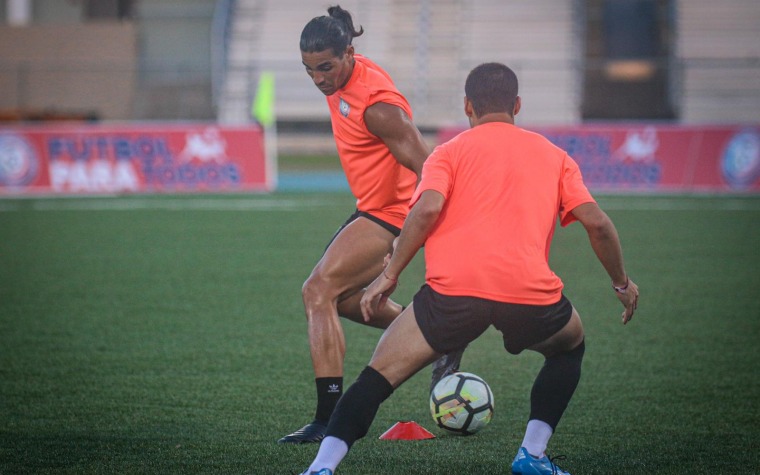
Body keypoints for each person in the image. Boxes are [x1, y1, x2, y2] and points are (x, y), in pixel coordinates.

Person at [299, 62, 640, 475]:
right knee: (569, 347)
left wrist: (388, 277)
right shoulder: (555, 157)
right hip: (529, 293)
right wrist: (620, 283)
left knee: (376, 378)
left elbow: (425, 210)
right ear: (517, 104)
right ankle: (532, 456)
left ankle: (322, 467)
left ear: (467, 107)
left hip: (452, 294)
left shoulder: (448, 152)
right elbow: (598, 224)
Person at [279, 5, 463, 444]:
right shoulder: (343, 72)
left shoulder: (378, 107)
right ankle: (438, 340)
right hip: (373, 205)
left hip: (390, 213)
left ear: (349, 54)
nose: (319, 78)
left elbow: (430, 169)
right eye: (309, 70)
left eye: (326, 67)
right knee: (342, 301)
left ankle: (328, 420)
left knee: (317, 291)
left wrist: (414, 234)